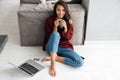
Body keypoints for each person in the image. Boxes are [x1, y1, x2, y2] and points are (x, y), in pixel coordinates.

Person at [42, 0, 84, 77]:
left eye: (63, 10)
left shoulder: (69, 22)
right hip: (51, 46)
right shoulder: (49, 20)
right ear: (55, 10)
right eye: (58, 10)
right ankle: (53, 63)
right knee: (56, 34)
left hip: (64, 47)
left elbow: (68, 38)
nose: (61, 13)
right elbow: (49, 37)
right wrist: (55, 27)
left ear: (66, 11)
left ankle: (55, 57)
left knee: (80, 62)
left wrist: (65, 28)